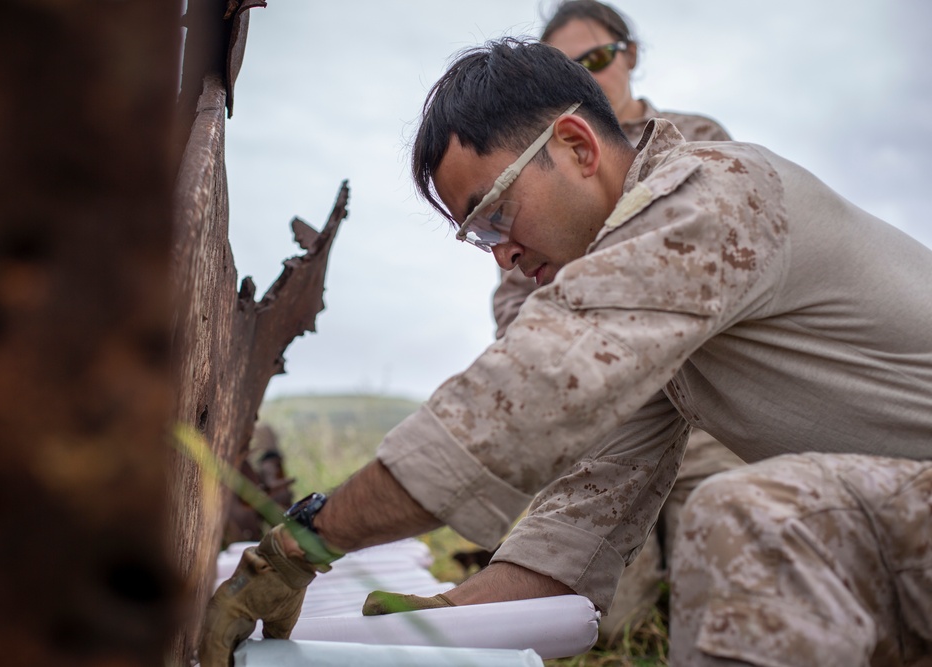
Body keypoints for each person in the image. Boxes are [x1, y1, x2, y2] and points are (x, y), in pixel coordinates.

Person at [199, 38, 932, 667]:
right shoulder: (664, 314)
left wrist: (299, 546)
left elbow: (516, 403)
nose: (503, 258)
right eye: (480, 238)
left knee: (756, 520)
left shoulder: (713, 198)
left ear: (578, 147)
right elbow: (583, 522)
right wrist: (450, 611)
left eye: (496, 218)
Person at [486, 0, 744, 642]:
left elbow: (709, 260)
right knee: (599, 626)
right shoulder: (537, 176)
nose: (588, 74)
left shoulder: (694, 136)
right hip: (600, 424)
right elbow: (517, 303)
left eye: (598, 58)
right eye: (566, 66)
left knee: (723, 596)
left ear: (629, 55)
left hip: (704, 409)